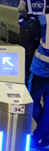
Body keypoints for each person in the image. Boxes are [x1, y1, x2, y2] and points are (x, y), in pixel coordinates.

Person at [29, 9, 49, 149]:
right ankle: (41, 136)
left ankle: (38, 137)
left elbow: (31, 39)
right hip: (40, 71)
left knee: (31, 101)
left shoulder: (43, 20)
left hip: (40, 71)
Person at [20, 0, 46, 83]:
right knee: (38, 49)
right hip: (41, 27)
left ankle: (26, 75)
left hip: (29, 27)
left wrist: (26, 17)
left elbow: (21, 9)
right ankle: (35, 72)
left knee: (27, 51)